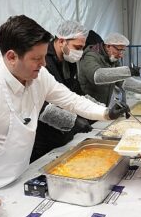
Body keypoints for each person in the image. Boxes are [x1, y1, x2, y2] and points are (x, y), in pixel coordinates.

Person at [0, 15, 129, 197]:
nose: (44, 63)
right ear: (12, 57)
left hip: (21, 177)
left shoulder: (40, 76)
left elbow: (71, 99)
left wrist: (106, 113)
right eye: (36, 59)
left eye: (45, 56)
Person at [31, 21, 100, 163]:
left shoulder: (69, 62)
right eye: (78, 47)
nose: (80, 53)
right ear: (62, 41)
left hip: (65, 136)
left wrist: (101, 109)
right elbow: (39, 104)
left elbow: (76, 93)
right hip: (43, 137)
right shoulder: (44, 62)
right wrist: (71, 121)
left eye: (82, 48)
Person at [78, 32, 141, 106]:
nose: (121, 55)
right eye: (119, 50)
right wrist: (128, 71)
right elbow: (97, 76)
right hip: (87, 105)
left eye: (122, 50)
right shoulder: (90, 56)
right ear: (108, 46)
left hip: (103, 105)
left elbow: (121, 80)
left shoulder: (112, 58)